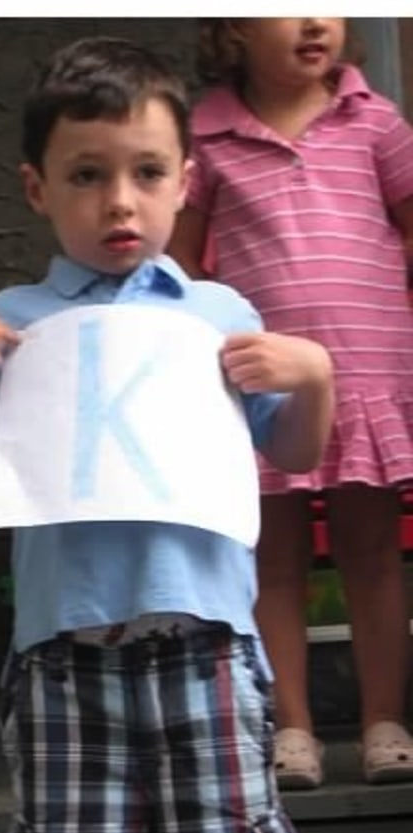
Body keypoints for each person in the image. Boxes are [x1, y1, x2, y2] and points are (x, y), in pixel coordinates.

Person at [0, 35, 333, 833]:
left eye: (145, 173)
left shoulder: (218, 315)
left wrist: (314, 375)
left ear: (187, 179)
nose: (119, 202)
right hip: (64, 659)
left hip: (206, 649)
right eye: (86, 176)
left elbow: (297, 453)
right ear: (36, 188)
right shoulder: (9, 324)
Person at [168, 17, 413, 789]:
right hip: (260, 379)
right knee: (272, 558)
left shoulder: (373, 120)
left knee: (371, 551)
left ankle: (384, 721)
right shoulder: (205, 137)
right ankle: (293, 728)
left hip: (366, 371)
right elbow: (180, 255)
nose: (316, 20)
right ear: (233, 27)